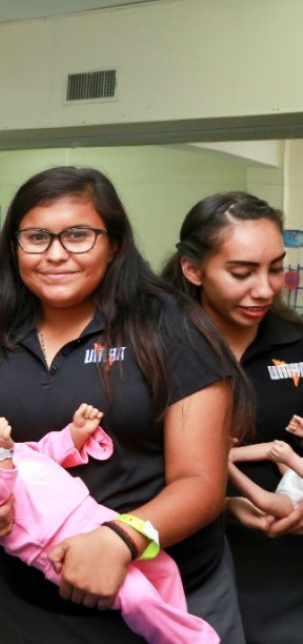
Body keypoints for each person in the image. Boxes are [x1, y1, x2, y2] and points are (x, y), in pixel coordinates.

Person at [0, 166, 252, 643]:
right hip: (27, 602)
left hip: (166, 604)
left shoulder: (170, 325)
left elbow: (201, 484)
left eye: (79, 235)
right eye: (36, 237)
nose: (55, 253)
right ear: (14, 246)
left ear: (115, 244)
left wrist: (121, 539)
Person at [0, 403, 219, 644]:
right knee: (136, 596)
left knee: (163, 566)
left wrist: (76, 432)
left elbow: (47, 451)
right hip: (62, 548)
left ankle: (175, 626)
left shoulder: (15, 451)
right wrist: (1, 452)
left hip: (96, 518)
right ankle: (190, 639)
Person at [161, 191, 303, 643]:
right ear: (193, 269)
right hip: (177, 575)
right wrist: (223, 506)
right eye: (242, 273)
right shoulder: (156, 349)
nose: (265, 289)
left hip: (284, 581)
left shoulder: (297, 344)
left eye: (276, 268)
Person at [227, 425, 303, 519]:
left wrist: (290, 458)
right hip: (294, 474)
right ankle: (230, 454)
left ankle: (229, 468)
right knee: (277, 448)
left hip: (295, 500)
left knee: (266, 502)